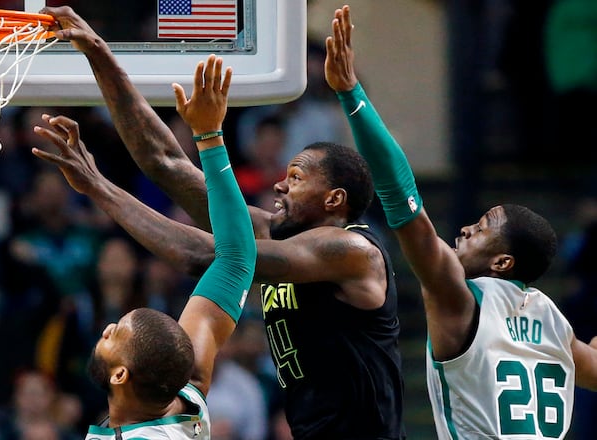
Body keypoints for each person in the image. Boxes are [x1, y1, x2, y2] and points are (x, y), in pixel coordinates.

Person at [39, 6, 405, 439]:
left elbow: (206, 255)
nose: (279, 188)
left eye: (296, 177)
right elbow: (167, 162)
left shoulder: (352, 252)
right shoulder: (276, 233)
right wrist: (101, 56)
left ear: (334, 199)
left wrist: (102, 189)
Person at [325, 5, 597, 439]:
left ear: (503, 262)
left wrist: (351, 95)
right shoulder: (557, 326)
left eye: (483, 227)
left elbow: (404, 204)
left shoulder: (462, 298)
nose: (466, 229)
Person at [30, 54, 256, 439]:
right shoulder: (185, 398)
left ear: (121, 375)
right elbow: (236, 257)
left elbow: (239, 257)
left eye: (114, 331)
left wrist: (209, 135)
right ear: (121, 375)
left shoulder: (189, 394)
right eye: (115, 330)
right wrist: (210, 137)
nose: (105, 329)